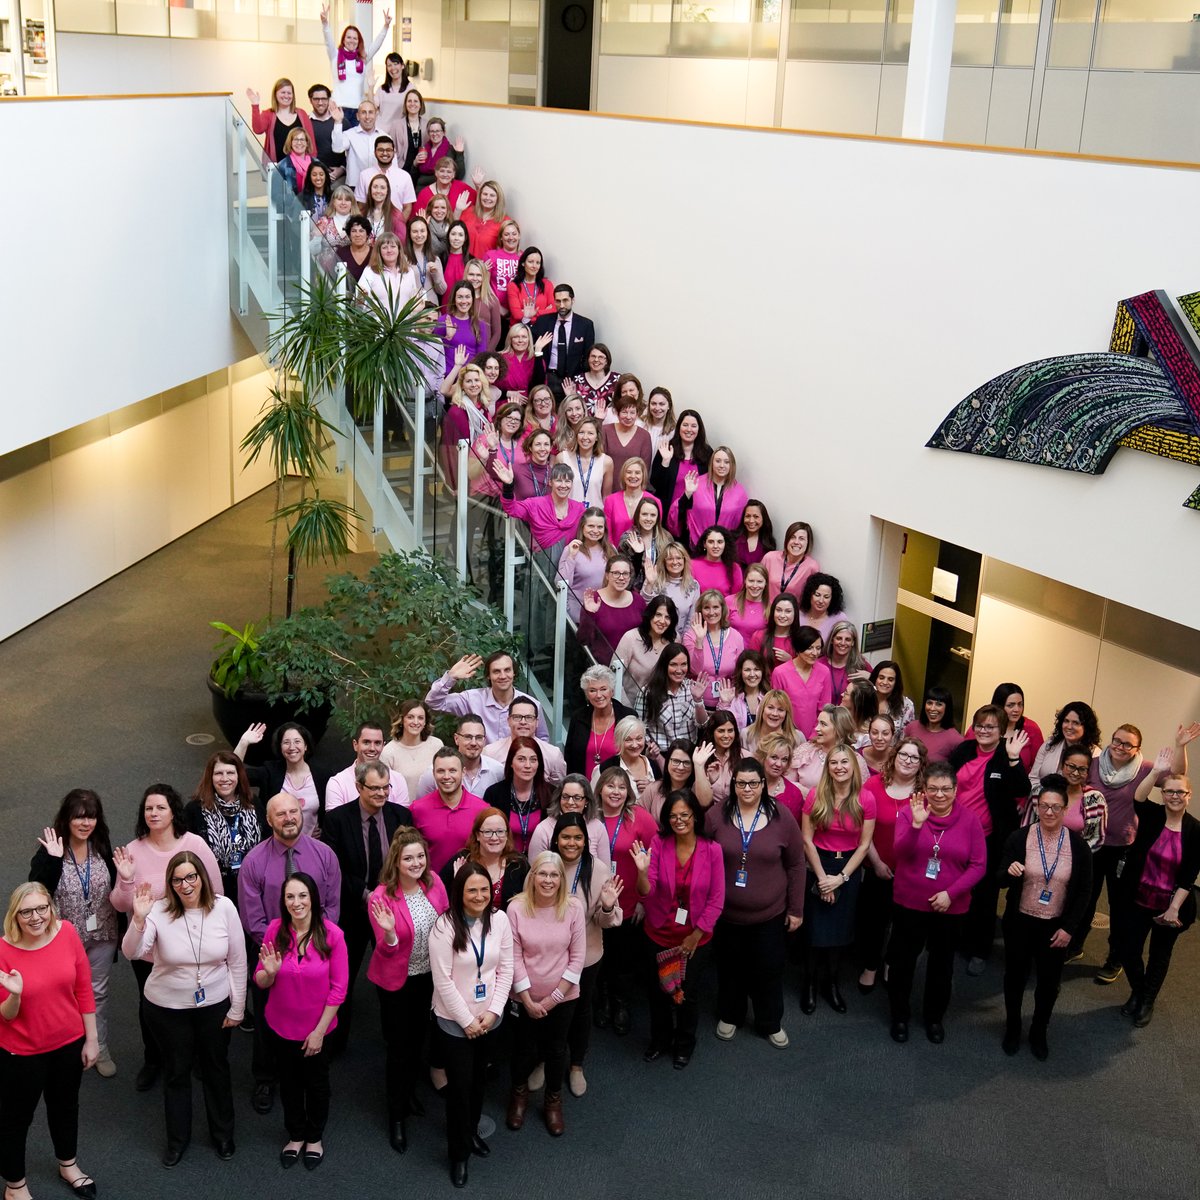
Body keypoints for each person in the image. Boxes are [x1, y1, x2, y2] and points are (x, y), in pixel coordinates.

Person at [123, 852, 246, 1166]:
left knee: (216, 1068)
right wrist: (138, 920)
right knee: (176, 1072)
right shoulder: (158, 910)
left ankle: (223, 1134)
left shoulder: (224, 907)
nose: (185, 885)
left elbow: (237, 961)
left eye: (191, 877)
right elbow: (132, 952)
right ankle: (177, 1140)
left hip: (214, 1004)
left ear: (202, 877)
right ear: (170, 883)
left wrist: (238, 1007)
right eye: (177, 880)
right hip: (167, 1007)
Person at [110, 785, 223, 1093]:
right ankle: (154, 1060)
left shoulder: (194, 845)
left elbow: (216, 893)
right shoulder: (133, 850)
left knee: (194, 1002)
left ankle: (196, 1057)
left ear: (174, 811)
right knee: (150, 1005)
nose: (154, 813)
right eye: (148, 808)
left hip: (191, 947)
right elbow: (120, 904)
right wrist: (126, 879)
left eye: (160, 807)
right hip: (148, 950)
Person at [237, 794, 341, 1116]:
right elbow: (252, 918)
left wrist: (312, 943)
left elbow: (332, 905)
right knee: (267, 1018)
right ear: (269, 820)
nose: (289, 818)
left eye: (293, 811)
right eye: (280, 814)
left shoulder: (324, 855)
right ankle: (266, 1079)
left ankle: (310, 1069)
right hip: (271, 952)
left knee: (311, 1010)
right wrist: (282, 947)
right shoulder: (254, 861)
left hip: (317, 950)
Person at [0, 883, 99, 1200]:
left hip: (68, 1043)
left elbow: (83, 987)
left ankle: (68, 1165)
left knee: (65, 1107)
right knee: (16, 1119)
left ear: (50, 907)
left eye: (41, 908)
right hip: (22, 1053)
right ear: (15, 915)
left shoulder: (66, 932)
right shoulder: (3, 951)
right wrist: (15, 995)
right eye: (26, 911)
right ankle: (15, 1187)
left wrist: (92, 1039)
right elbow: (5, 1016)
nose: (36, 917)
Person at [706, 758, 805, 1046]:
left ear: (763, 784)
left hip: (770, 915)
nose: (747, 789)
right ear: (733, 785)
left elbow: (796, 864)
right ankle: (730, 1014)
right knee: (730, 967)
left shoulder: (781, 816)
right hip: (727, 915)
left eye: (753, 783)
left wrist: (796, 909)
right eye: (741, 783)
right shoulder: (717, 815)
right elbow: (700, 854)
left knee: (769, 969)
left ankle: (769, 1021)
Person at [886, 762, 986, 1044]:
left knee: (942, 966)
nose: (939, 794)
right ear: (924, 789)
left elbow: (978, 865)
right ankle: (899, 1016)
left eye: (945, 789)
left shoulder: (970, 820)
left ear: (955, 789)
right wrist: (916, 826)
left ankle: (934, 1018)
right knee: (903, 962)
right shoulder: (910, 813)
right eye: (933, 789)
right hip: (909, 903)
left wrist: (950, 894)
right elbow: (899, 853)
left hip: (950, 907)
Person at [254, 872, 347, 1171]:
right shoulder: (275, 930)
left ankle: (314, 1137)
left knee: (317, 1084)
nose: (297, 902)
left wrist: (319, 1032)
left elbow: (339, 989)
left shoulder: (332, 935)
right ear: (283, 901)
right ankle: (295, 1135)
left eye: (303, 895)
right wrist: (269, 973)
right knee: (290, 1084)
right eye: (290, 897)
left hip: (318, 1029)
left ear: (313, 898)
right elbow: (260, 980)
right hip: (281, 1027)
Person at [1086, 722, 1192, 985]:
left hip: (1123, 848)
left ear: (1137, 749)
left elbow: (1178, 774)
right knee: (1085, 898)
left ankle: (1115, 959)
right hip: (1092, 844)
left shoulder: (1144, 769)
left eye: (1128, 744)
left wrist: (1180, 745)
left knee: (1119, 907)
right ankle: (1075, 945)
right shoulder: (1094, 764)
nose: (1121, 747)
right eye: (1117, 741)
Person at [429, 863, 514, 1187]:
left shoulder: (500, 920)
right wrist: (467, 1022)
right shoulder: (444, 927)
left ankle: (470, 1131)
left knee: (479, 1082)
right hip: (455, 1022)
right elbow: (443, 982)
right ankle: (459, 1153)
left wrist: (493, 1012)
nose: (479, 896)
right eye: (472, 890)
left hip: (488, 1019)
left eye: (484, 889)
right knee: (460, 1090)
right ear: (459, 892)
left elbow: (506, 969)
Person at [367, 828, 449, 1153]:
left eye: (420, 857)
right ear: (396, 862)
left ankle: (411, 1093)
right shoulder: (381, 897)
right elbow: (386, 950)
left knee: (419, 1040)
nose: (416, 863)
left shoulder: (434, 883)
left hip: (429, 978)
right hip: (397, 983)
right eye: (408, 858)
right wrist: (389, 934)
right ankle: (396, 1115)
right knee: (399, 1048)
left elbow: (446, 923)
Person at [28, 790, 118, 1079]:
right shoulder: (51, 849)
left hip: (102, 933)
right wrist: (53, 860)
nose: (85, 823)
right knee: (63, 993)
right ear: (66, 818)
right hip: (63, 940)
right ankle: (66, 1046)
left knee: (98, 992)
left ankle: (99, 1046)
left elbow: (115, 884)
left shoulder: (101, 846)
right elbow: (35, 892)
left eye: (91, 816)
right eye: (79, 817)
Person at [999, 780, 1093, 1060]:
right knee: (1015, 978)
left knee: (1049, 985)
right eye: (1044, 806)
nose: (1049, 812)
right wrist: (1009, 871)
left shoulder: (1078, 846)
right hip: (1019, 922)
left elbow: (1085, 891)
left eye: (1055, 807)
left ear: (1065, 809)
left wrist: (1069, 928)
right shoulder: (1019, 838)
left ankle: (1039, 1031)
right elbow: (999, 877)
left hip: (1055, 927)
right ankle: (1013, 1027)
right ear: (1037, 807)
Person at [322, 762, 413, 1050]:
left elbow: (409, 861)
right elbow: (335, 869)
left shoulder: (401, 816)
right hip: (353, 910)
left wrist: (388, 898)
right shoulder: (337, 820)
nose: (381, 794)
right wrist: (367, 896)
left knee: (394, 976)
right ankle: (336, 1041)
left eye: (386, 788)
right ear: (359, 787)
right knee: (344, 977)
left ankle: (395, 1039)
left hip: (393, 912)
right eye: (374, 788)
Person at [632, 789, 724, 1068]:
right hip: (658, 931)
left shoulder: (713, 850)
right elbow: (646, 892)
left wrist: (696, 936)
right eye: (673, 816)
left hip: (695, 936)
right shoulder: (659, 843)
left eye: (685, 815)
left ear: (695, 816)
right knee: (658, 992)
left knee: (688, 994)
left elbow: (717, 899)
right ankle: (660, 1040)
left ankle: (684, 1044)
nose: (679, 820)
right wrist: (641, 872)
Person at [504, 852, 587, 1137]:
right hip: (524, 997)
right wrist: (527, 999)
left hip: (563, 997)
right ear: (533, 876)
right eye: (542, 873)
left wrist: (552, 1000)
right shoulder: (516, 908)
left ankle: (553, 1101)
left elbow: (577, 959)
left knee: (555, 1050)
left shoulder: (573, 908)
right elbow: (513, 957)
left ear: (561, 879)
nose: (548, 880)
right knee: (523, 1049)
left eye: (554, 875)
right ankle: (519, 1095)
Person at [1114, 763, 1200, 1027]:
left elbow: (1189, 875)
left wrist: (1174, 909)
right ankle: (1139, 991)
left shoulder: (1196, 830)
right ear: (1162, 794)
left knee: (1159, 955)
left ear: (1189, 795)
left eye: (1180, 792)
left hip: (1170, 904)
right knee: (1127, 948)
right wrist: (1155, 772)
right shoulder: (1153, 815)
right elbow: (1138, 798)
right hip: (1138, 897)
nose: (1174, 796)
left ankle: (1147, 1001)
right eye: (1169, 791)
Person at [949, 707, 1032, 975]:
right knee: (955, 887)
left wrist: (1014, 758)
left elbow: (1022, 789)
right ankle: (956, 938)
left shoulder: (1006, 754)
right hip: (955, 833)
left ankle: (979, 950)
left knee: (984, 895)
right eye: (980, 726)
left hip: (989, 838)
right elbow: (946, 780)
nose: (984, 731)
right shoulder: (964, 750)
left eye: (991, 727)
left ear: (1002, 730)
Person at [549, 815, 621, 1095]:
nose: (572, 843)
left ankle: (576, 1064)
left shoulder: (599, 869)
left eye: (578, 837)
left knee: (581, 1011)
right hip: (549, 958)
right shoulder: (545, 865)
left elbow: (606, 922)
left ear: (585, 841)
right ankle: (545, 1059)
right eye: (566, 837)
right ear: (556, 839)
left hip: (587, 957)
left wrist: (607, 907)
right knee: (550, 1010)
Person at [800, 746, 875, 1014]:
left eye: (845, 762)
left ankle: (831, 984)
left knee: (840, 933)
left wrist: (840, 879)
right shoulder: (815, 795)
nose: (839, 767)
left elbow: (864, 846)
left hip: (848, 869)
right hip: (818, 865)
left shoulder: (866, 798)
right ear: (828, 767)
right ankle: (809, 984)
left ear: (854, 766)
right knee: (814, 932)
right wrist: (823, 880)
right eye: (834, 762)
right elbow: (806, 840)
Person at [856, 737, 926, 992]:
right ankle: (870, 965)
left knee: (903, 924)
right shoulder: (873, 785)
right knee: (873, 921)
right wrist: (876, 862)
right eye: (903, 755)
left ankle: (890, 962)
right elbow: (862, 828)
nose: (908, 761)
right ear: (894, 757)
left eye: (914, 757)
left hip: (911, 873)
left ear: (921, 764)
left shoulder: (926, 793)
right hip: (876, 866)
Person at [591, 768, 657, 1036]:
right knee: (600, 957)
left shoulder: (639, 817)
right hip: (595, 903)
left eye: (621, 787)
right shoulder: (590, 817)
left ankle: (621, 1003)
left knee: (624, 958)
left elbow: (654, 859)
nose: (616, 792)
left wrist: (643, 900)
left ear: (628, 791)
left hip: (629, 902)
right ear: (600, 789)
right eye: (610, 786)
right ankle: (604, 1000)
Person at [184, 751, 264, 901]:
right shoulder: (194, 810)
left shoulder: (253, 803)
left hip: (252, 884)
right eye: (219, 773)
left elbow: (266, 842)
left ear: (239, 776)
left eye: (230, 773)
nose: (225, 778)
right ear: (210, 777)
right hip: (213, 889)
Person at [425, 651, 548, 745]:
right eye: (496, 671)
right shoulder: (472, 699)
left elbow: (543, 740)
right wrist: (451, 677)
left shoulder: (532, 705)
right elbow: (433, 702)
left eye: (507, 670)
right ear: (488, 675)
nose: (503, 676)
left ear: (514, 673)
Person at [234, 721, 329, 839]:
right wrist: (243, 743)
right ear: (280, 747)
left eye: (297, 741)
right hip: (276, 843)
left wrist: (325, 830)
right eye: (286, 742)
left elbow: (332, 812)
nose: (292, 747)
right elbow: (234, 776)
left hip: (311, 844)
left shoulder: (322, 775)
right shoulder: (271, 771)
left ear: (306, 746)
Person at [410, 749, 490, 874]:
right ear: (433, 773)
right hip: (430, 883)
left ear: (463, 772)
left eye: (452, 770)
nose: (446, 776)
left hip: (469, 882)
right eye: (441, 771)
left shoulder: (482, 810)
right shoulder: (417, 809)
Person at [443, 808, 530, 911]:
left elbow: (531, 901)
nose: (494, 838)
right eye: (488, 832)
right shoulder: (462, 860)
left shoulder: (519, 864)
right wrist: (459, 883)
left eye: (500, 831)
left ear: (507, 835)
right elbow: (443, 900)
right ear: (477, 835)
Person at [638, 644, 709, 764]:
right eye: (673, 664)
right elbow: (640, 727)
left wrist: (698, 700)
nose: (679, 670)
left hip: (689, 754)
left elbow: (703, 724)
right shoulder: (648, 692)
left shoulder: (692, 687)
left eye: (683, 664)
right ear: (664, 665)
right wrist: (655, 754)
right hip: (660, 755)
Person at [482, 737, 552, 856]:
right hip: (503, 860)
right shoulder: (494, 794)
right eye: (521, 759)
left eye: (533, 760)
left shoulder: (551, 794)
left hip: (541, 862)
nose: (528, 765)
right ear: (511, 762)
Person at [320, 5, 391, 121]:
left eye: (355, 38)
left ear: (359, 41)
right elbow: (328, 41)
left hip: (358, 109)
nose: (352, 41)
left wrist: (386, 27)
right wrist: (325, 23)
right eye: (349, 37)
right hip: (339, 108)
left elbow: (376, 45)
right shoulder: (335, 55)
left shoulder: (362, 58)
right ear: (343, 39)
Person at [563, 664, 636, 776]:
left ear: (612, 691)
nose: (598, 695)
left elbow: (636, 753)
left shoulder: (627, 716)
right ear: (586, 694)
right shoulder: (578, 718)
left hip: (618, 784)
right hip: (584, 784)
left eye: (603, 689)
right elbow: (569, 756)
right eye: (592, 690)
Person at [649, 410, 711, 536]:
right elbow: (655, 483)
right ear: (679, 427)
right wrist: (665, 462)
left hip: (696, 516)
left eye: (693, 426)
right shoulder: (667, 448)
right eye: (685, 425)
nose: (689, 429)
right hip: (669, 515)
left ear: (699, 429)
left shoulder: (707, 453)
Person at [673, 446, 748, 548]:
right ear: (711, 463)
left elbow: (741, 525)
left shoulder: (739, 492)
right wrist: (687, 494)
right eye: (718, 461)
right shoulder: (697, 484)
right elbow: (678, 514)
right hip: (697, 545)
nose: (722, 465)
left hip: (725, 547)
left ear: (732, 465)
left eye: (726, 462)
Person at [326, 721, 410, 811]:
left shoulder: (397, 780)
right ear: (355, 745)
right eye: (366, 742)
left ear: (383, 746)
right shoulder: (338, 783)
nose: (372, 748)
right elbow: (335, 818)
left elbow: (402, 817)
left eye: (377, 743)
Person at [578, 555, 646, 666]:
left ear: (630, 577)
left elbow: (646, 634)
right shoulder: (594, 600)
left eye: (625, 573)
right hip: (604, 668)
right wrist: (589, 614)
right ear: (607, 575)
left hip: (633, 668)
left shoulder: (638, 600)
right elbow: (583, 640)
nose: (621, 577)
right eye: (616, 573)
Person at [527, 778, 612, 866]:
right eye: (565, 797)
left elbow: (605, 869)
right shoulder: (543, 828)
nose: (570, 802)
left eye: (577, 798)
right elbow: (534, 869)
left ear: (586, 801)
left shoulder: (598, 827)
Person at [683, 591, 745, 712]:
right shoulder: (691, 636)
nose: (711, 612)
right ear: (700, 611)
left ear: (723, 609)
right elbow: (695, 670)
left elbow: (739, 672)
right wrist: (699, 641)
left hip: (728, 702)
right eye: (707, 608)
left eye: (715, 607)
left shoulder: (736, 636)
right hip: (697, 703)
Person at [613, 595, 678, 709]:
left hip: (663, 709)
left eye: (667, 617)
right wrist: (628, 711)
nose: (662, 621)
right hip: (629, 708)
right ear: (650, 615)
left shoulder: (675, 640)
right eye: (658, 615)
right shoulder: (631, 638)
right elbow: (613, 677)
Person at [416, 716, 505, 798]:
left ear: (484, 740)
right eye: (468, 737)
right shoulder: (435, 773)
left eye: (479, 737)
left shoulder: (498, 771)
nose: (473, 743)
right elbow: (422, 805)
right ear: (456, 739)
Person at [483, 697, 567, 784]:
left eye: (529, 717)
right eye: (517, 717)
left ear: (537, 722)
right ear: (508, 721)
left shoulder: (553, 754)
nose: (523, 722)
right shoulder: (490, 753)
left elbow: (559, 787)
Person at [770, 626, 832, 739]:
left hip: (816, 736)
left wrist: (814, 736)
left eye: (818, 648)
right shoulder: (780, 673)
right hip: (786, 736)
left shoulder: (824, 672)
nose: (815, 653)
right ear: (798, 648)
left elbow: (825, 709)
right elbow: (776, 709)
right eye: (810, 648)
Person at [531, 284, 596, 392]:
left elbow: (588, 355)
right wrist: (526, 319)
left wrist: (580, 379)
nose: (561, 305)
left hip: (573, 379)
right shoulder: (543, 321)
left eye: (565, 300)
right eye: (558, 301)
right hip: (548, 377)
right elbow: (528, 341)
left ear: (572, 300)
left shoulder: (585, 325)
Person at [380, 701, 445, 804]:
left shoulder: (436, 745)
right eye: (410, 717)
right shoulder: (388, 752)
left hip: (434, 808)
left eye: (420, 718)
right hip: (403, 811)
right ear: (402, 720)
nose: (415, 722)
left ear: (425, 722)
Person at [1027, 700, 1102, 789]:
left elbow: (1094, 788)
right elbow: (1033, 778)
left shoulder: (1096, 754)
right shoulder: (1050, 744)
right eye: (1066, 721)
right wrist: (1043, 795)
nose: (1069, 727)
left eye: (1076, 723)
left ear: (1087, 727)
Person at [557, 507, 614, 622]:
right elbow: (560, 583)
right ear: (582, 527)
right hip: (578, 615)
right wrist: (571, 557)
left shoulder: (611, 549)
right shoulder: (571, 549)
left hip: (604, 614)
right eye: (591, 526)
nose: (595, 530)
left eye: (600, 527)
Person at [637, 739, 714, 821]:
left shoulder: (697, 788)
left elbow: (705, 803)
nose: (680, 767)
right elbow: (638, 817)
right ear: (668, 762)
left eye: (687, 763)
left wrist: (699, 765)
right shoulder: (654, 788)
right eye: (676, 761)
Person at [247, 78, 317, 163]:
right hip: (276, 166)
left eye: (289, 93)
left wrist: (313, 163)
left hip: (301, 167)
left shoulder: (302, 114)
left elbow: (310, 141)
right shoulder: (268, 114)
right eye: (283, 92)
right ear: (275, 94)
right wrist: (255, 105)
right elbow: (258, 130)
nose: (286, 96)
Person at [641, 540, 699, 637]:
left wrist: (684, 641)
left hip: (679, 639)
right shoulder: (654, 579)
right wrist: (650, 584)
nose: (675, 562)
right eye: (670, 559)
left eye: (678, 558)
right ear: (664, 562)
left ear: (684, 560)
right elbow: (644, 607)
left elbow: (691, 620)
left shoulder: (693, 585)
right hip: (654, 637)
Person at [594, 715, 657, 802]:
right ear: (619, 741)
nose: (634, 745)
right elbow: (593, 803)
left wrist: (652, 788)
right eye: (628, 740)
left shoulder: (653, 766)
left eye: (639, 739)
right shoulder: (604, 769)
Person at [329, 98, 386, 190]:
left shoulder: (385, 136)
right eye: (363, 112)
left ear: (376, 115)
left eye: (371, 112)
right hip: (354, 187)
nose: (367, 116)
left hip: (378, 187)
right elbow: (337, 148)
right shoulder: (349, 134)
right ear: (357, 116)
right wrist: (338, 122)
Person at [760, 520, 820, 604]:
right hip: (766, 608)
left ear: (808, 543)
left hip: (793, 611)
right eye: (792, 537)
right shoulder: (770, 558)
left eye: (801, 539)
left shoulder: (812, 566)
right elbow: (757, 583)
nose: (796, 542)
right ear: (787, 540)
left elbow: (811, 599)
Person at [605, 459, 660, 547]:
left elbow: (657, 532)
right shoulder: (610, 500)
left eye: (637, 473)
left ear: (643, 475)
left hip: (644, 553)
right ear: (623, 475)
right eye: (629, 472)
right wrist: (612, 552)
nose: (633, 476)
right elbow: (607, 534)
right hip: (615, 553)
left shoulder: (655, 501)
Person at [602, 395, 654, 482]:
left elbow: (645, 469)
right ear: (617, 413)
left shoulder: (644, 436)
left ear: (637, 414)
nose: (628, 417)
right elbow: (598, 462)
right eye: (624, 412)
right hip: (606, 485)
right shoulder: (605, 430)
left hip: (633, 486)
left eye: (632, 413)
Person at [903, 685, 963, 760]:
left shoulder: (955, 739)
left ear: (947, 708)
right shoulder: (912, 727)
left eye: (939, 704)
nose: (932, 708)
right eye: (929, 703)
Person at [720, 648, 770, 730]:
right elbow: (724, 727)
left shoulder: (769, 697)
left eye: (756, 669)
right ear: (740, 672)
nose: (752, 674)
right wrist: (725, 704)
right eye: (747, 670)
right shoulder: (731, 696)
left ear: (763, 672)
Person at [752, 592, 804, 669]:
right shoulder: (759, 636)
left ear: (795, 614)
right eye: (779, 610)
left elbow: (805, 670)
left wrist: (791, 660)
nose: (782, 615)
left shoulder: (800, 639)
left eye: (788, 611)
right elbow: (752, 665)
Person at [507, 246, 557, 327]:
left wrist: (532, 313)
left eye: (538, 263)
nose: (534, 266)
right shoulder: (513, 285)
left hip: (541, 328)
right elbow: (517, 315)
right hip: (520, 329)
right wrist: (544, 311)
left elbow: (554, 310)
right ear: (523, 263)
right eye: (530, 262)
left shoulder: (547, 284)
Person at [306, 84, 346, 180]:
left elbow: (352, 151)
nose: (320, 103)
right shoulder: (305, 123)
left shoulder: (341, 121)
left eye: (324, 99)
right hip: (313, 177)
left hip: (339, 177)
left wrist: (342, 169)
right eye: (316, 99)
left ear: (329, 100)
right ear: (310, 100)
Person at [689, 526, 743, 596]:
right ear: (704, 544)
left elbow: (736, 599)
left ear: (725, 544)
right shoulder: (692, 565)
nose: (715, 546)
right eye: (711, 542)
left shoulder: (734, 568)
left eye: (720, 542)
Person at [372, 51, 415, 137]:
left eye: (395, 64)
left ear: (402, 66)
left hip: (398, 133)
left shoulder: (410, 88)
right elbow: (372, 108)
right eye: (389, 65)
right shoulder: (382, 89)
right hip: (379, 131)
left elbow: (413, 112)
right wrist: (370, 88)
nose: (393, 68)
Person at [726, 563, 769, 646]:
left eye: (759, 582)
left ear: (765, 583)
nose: (755, 585)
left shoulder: (770, 607)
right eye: (751, 581)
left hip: (756, 653)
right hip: (731, 651)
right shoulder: (729, 601)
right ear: (745, 581)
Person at [797, 572, 847, 642]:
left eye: (826, 597)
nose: (821, 601)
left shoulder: (839, 618)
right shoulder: (798, 615)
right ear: (809, 595)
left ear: (832, 599)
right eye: (817, 595)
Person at [871, 661, 915, 731]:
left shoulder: (906, 705)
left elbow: (908, 733)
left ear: (896, 683)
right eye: (881, 678)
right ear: (875, 679)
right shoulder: (864, 699)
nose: (885, 682)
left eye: (890, 680)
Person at [733, 499, 774, 569]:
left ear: (763, 519)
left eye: (756, 516)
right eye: (748, 516)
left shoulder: (769, 544)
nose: (751, 521)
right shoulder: (733, 539)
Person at [276, 127, 314, 194]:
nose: (299, 143)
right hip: (292, 201)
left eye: (302, 139)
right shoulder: (282, 166)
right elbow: (276, 194)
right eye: (296, 140)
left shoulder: (316, 163)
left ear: (307, 143)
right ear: (290, 143)